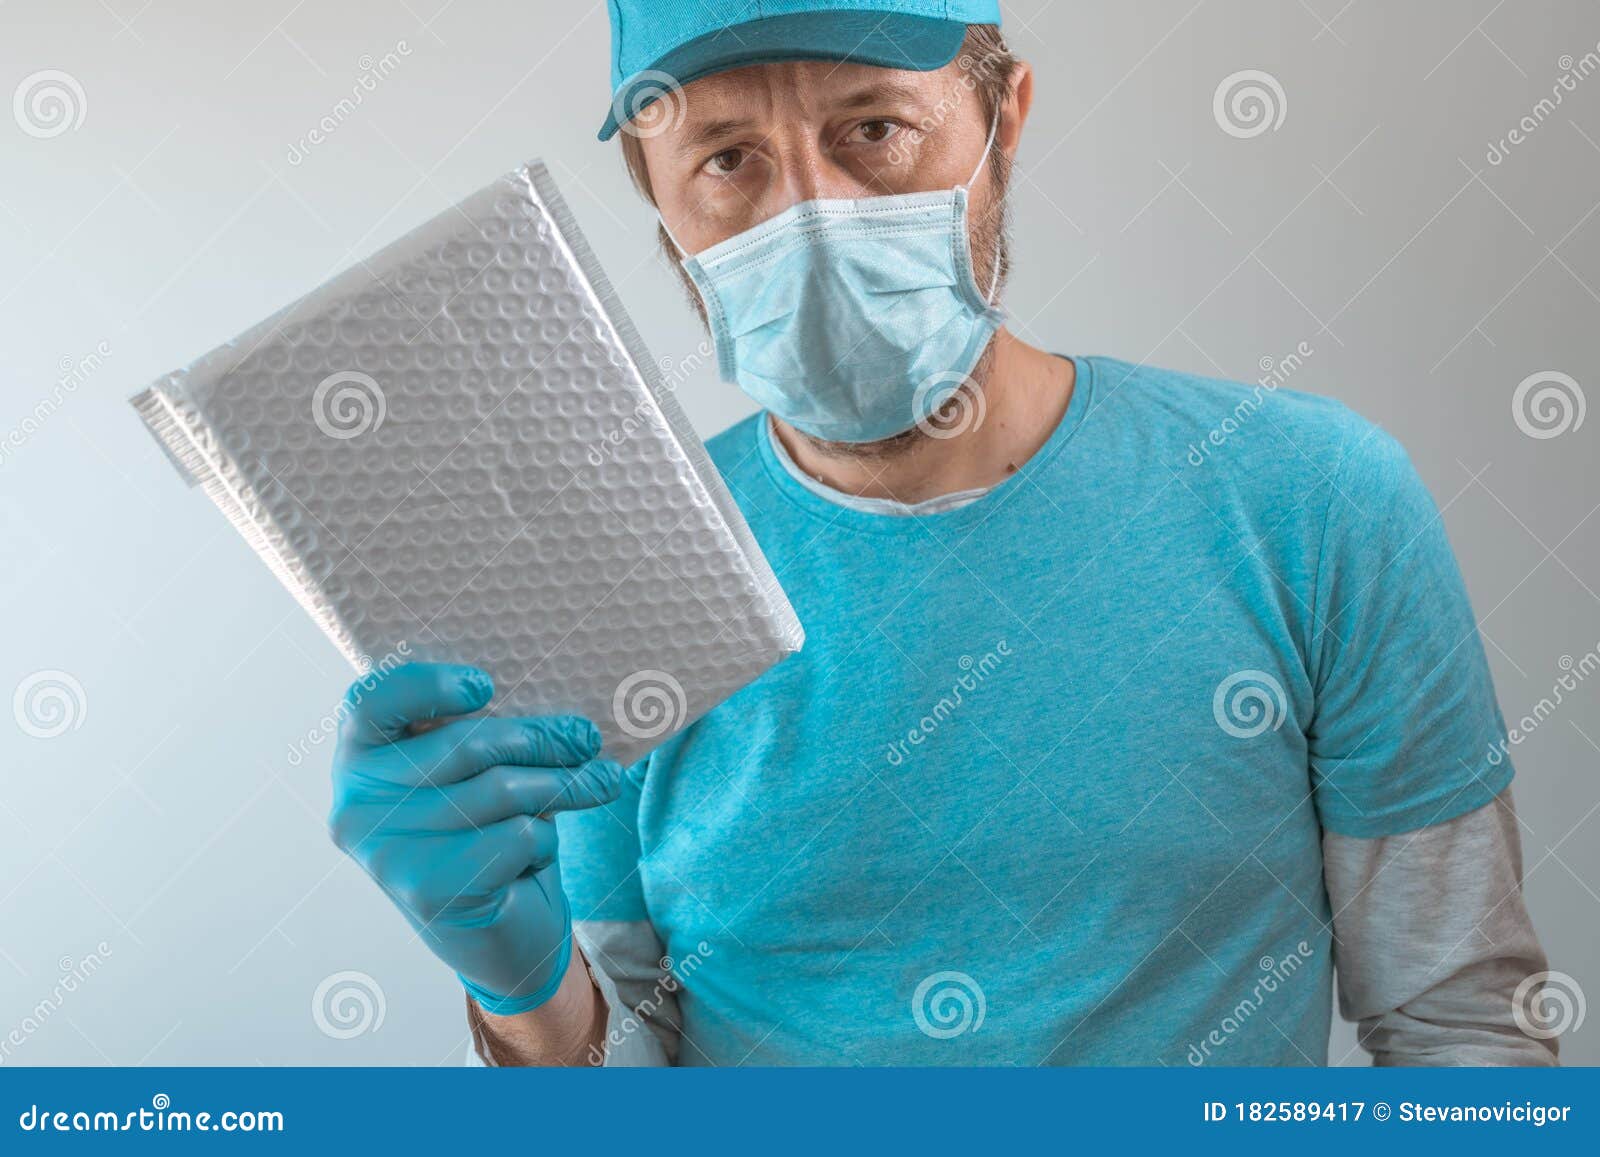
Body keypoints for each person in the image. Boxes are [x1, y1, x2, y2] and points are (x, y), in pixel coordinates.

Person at [328, 0, 1557, 1066]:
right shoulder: (624, 573)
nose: (809, 215)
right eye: (726, 158)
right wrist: (530, 1004)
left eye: (874, 128)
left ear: (1003, 125)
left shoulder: (1304, 500)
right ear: (656, 198)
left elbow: (1463, 1027)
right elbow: (624, 1076)